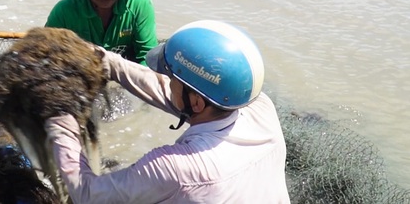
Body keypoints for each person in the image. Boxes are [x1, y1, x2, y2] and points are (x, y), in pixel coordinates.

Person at [45, 20, 290, 203]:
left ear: (196, 103)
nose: (166, 80)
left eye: (172, 78)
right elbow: (169, 93)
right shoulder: (260, 108)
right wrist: (108, 62)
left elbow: (87, 194)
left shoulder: (178, 167)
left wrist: (61, 119)